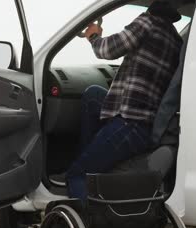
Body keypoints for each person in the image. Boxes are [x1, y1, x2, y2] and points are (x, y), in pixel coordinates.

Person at [66, 0, 183, 199]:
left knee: (77, 176)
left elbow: (108, 50)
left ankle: (93, 222)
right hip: (147, 124)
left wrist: (93, 35)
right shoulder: (176, 40)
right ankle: (89, 158)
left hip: (129, 122)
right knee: (93, 95)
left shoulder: (148, 22)